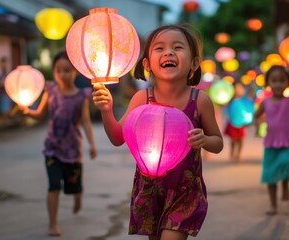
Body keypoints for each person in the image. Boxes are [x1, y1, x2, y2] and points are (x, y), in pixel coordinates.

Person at [92, 25, 223, 240]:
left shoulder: (200, 101)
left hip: (185, 191)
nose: (168, 52)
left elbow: (218, 143)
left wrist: (205, 139)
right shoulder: (142, 99)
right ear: (147, 64)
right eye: (159, 48)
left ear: (194, 63)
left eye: (177, 47)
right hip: (150, 190)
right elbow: (117, 138)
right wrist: (106, 110)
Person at [20, 51, 98, 236]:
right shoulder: (51, 91)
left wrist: (92, 144)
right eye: (58, 70)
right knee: (54, 186)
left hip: (73, 150)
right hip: (52, 148)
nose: (62, 74)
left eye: (67, 70)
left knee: (73, 186)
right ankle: (53, 223)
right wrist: (27, 110)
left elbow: (86, 121)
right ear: (53, 72)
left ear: (75, 72)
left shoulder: (81, 96)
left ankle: (78, 194)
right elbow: (40, 113)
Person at [253, 65, 289, 215]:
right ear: (268, 83)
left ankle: (286, 184)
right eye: (274, 81)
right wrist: (257, 125)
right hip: (271, 143)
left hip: (287, 142)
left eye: (282, 81)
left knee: (285, 163)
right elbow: (256, 116)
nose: (278, 84)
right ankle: (273, 205)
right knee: (269, 174)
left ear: (288, 83)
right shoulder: (265, 102)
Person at [0, 56, 13, 123]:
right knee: (3, 105)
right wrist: (3, 83)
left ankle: (7, 119)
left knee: (7, 105)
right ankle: (4, 119)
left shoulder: (7, 72)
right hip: (2, 91)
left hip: (7, 91)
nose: (4, 65)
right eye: (3, 63)